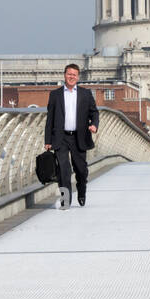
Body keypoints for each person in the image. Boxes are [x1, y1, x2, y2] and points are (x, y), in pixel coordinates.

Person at [44, 63, 98, 209]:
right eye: (69, 74)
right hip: (61, 138)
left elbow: (94, 112)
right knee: (63, 170)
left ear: (78, 77)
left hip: (79, 137)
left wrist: (94, 124)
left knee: (81, 170)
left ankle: (81, 190)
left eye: (74, 75)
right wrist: (48, 140)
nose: (71, 77)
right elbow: (50, 119)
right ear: (64, 75)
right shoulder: (55, 95)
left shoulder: (85, 94)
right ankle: (65, 200)